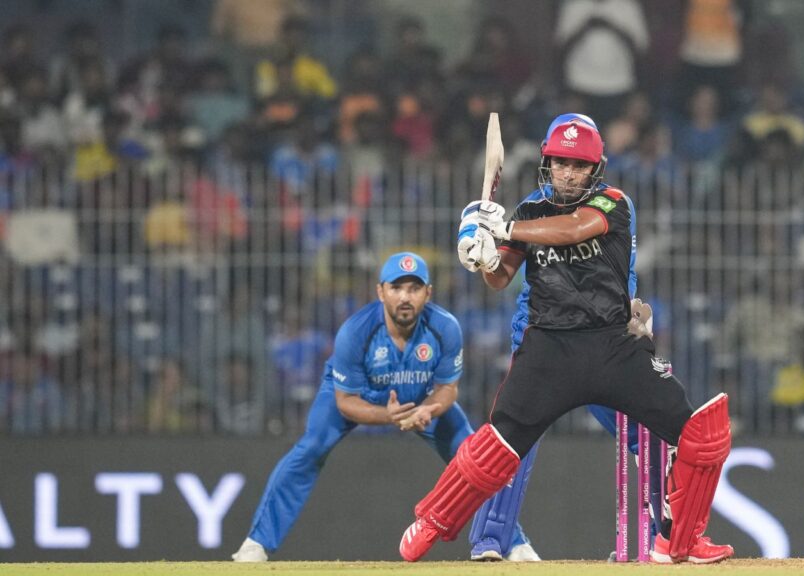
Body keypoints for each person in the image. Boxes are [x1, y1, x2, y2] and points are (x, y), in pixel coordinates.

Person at [399, 117, 734, 564]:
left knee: (700, 434)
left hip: (614, 345)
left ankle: (680, 541)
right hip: (549, 350)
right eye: (561, 163)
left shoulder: (613, 203)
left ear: (596, 168)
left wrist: (502, 230)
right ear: (548, 162)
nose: (569, 173)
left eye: (579, 165)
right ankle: (432, 520)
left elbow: (574, 228)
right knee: (497, 446)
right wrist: (478, 254)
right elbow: (501, 278)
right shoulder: (527, 212)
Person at [233, 252, 539, 561]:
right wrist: (387, 416)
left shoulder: (445, 328)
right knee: (310, 449)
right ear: (380, 292)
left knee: (475, 458)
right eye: (397, 288)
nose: (405, 297)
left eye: (414, 288)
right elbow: (345, 403)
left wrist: (427, 410)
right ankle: (255, 544)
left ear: (428, 293)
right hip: (360, 395)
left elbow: (447, 390)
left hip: (420, 399)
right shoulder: (355, 332)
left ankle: (511, 542)